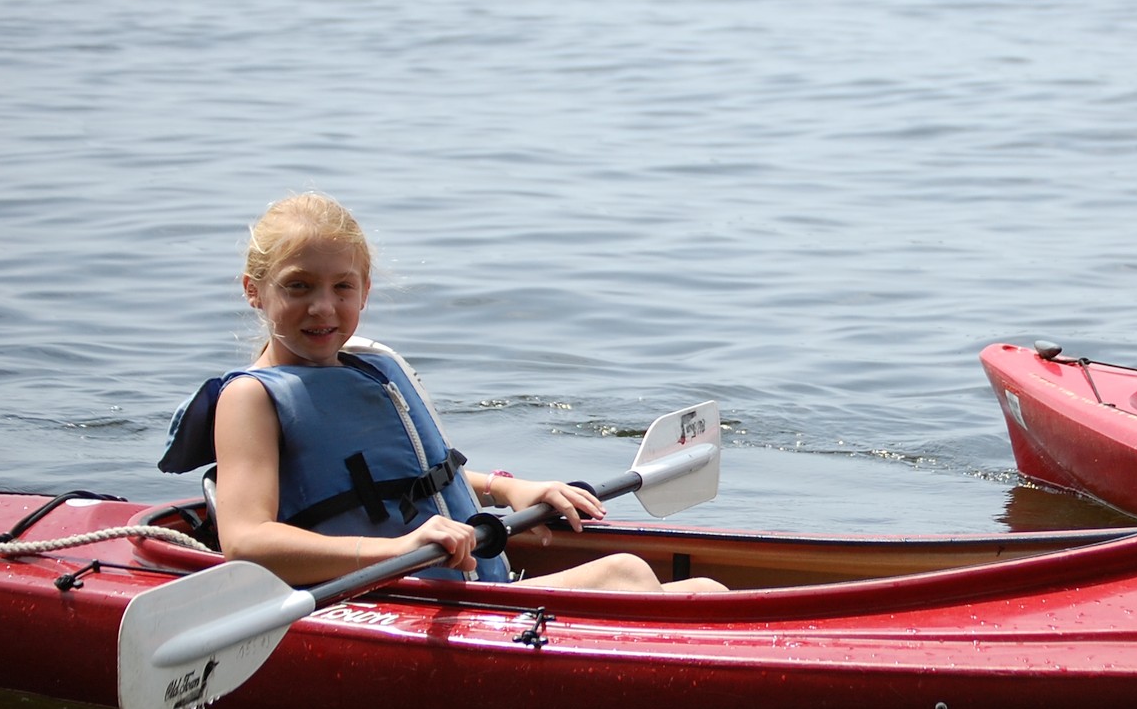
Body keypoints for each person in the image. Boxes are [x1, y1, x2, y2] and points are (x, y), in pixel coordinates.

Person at [160, 193, 724, 592]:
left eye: (342, 287)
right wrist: (399, 550)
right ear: (254, 291)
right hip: (382, 597)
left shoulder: (368, 367)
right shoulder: (251, 399)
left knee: (682, 587)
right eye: (298, 286)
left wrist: (510, 489)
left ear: (365, 290)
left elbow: (413, 478)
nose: (323, 307)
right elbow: (247, 540)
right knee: (629, 574)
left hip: (461, 587)